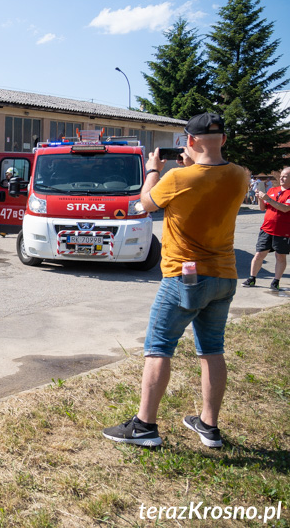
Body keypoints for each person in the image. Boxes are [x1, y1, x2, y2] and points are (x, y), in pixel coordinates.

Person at [103, 113, 247, 449]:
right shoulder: (240, 175)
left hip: (184, 277)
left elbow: (144, 203)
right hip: (225, 275)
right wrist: (193, 161)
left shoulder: (179, 177)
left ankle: (144, 426)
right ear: (223, 140)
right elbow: (212, 178)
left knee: (158, 348)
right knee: (212, 350)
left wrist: (154, 169)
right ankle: (209, 426)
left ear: (190, 141)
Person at [242, 166, 290, 291]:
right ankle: (252, 278)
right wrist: (260, 198)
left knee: (280, 257)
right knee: (259, 254)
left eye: (285, 176)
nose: (282, 178)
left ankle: (276, 281)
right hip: (266, 229)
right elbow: (263, 208)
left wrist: (267, 198)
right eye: (282, 175)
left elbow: (285, 208)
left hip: (282, 231)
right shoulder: (273, 190)